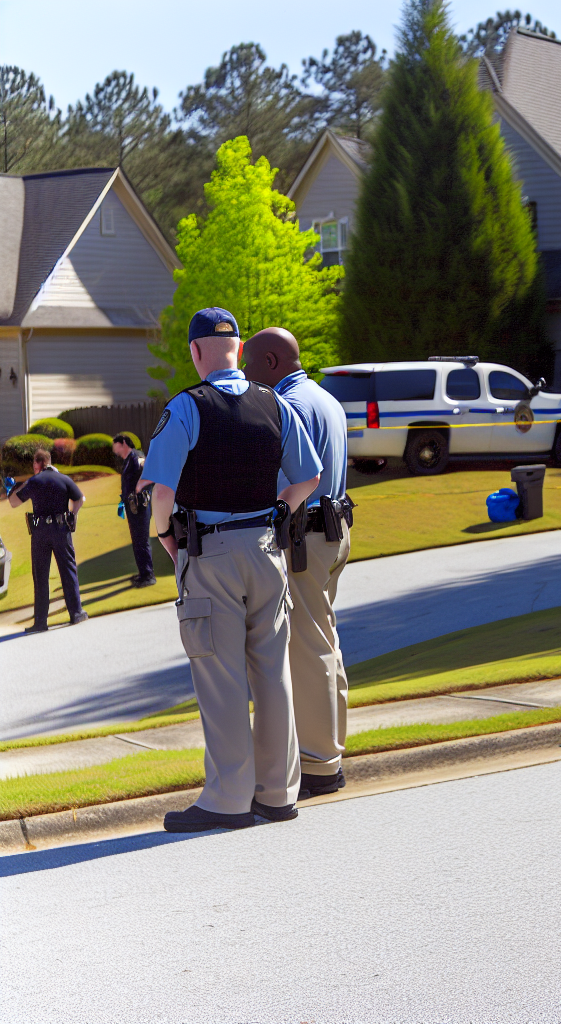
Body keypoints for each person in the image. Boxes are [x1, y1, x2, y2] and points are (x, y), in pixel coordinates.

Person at [139, 307, 323, 833]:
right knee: (272, 674)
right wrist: (280, 514)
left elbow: (163, 493)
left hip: (211, 552)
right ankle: (278, 794)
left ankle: (227, 799)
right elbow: (307, 478)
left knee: (220, 676)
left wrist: (165, 537)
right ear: (239, 350)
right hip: (267, 550)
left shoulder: (187, 408)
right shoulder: (275, 404)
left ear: (196, 352)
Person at [244, 327, 351, 800]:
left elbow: (286, 481)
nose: (244, 373)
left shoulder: (288, 406)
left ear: (270, 363)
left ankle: (319, 764)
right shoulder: (326, 399)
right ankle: (328, 752)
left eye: (248, 364)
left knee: (307, 649)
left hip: (304, 535)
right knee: (324, 641)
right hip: (335, 530)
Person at [8, 448, 88, 633]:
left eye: (34, 464)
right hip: (62, 529)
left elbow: (13, 502)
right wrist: (72, 515)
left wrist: (19, 485)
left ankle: (41, 622)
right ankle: (76, 614)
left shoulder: (34, 481)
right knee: (68, 571)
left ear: (38, 463)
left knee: (41, 576)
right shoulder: (64, 479)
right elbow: (80, 498)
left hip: (41, 532)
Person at [112, 433, 155, 587]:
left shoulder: (136, 457)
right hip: (133, 506)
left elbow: (151, 472)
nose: (114, 450)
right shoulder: (128, 460)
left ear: (123, 443)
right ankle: (143, 573)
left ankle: (149, 576)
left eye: (115, 445)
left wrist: (139, 486)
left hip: (140, 505)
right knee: (137, 541)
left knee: (141, 541)